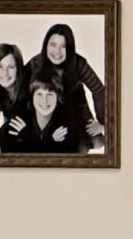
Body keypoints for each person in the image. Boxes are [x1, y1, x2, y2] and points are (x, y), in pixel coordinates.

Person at [31, 22, 107, 154]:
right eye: (53, 45)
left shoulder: (78, 63)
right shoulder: (35, 64)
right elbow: (20, 94)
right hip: (47, 116)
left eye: (63, 47)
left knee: (82, 150)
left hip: (75, 115)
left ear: (70, 49)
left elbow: (99, 90)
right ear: (45, 46)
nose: (57, 52)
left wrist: (103, 123)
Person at [0, 42, 45, 154]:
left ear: (18, 69)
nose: (4, 73)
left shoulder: (28, 91)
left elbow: (1, 138)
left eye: (10, 67)